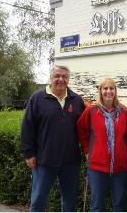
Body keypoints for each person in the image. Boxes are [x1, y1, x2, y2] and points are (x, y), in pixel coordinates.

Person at [21, 65, 86, 212]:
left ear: (68, 79)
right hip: (44, 161)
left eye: (64, 76)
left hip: (70, 161)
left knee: (69, 203)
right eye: (57, 76)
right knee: (38, 201)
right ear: (51, 77)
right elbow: (27, 127)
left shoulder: (76, 100)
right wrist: (29, 154)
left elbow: (85, 128)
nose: (61, 79)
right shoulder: (37, 98)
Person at [77, 77, 127, 212]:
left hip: (120, 167)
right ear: (100, 91)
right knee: (97, 205)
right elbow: (80, 128)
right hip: (97, 167)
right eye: (105, 88)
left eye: (111, 88)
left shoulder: (123, 111)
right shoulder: (91, 110)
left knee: (119, 204)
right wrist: (87, 149)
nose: (109, 91)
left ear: (115, 91)